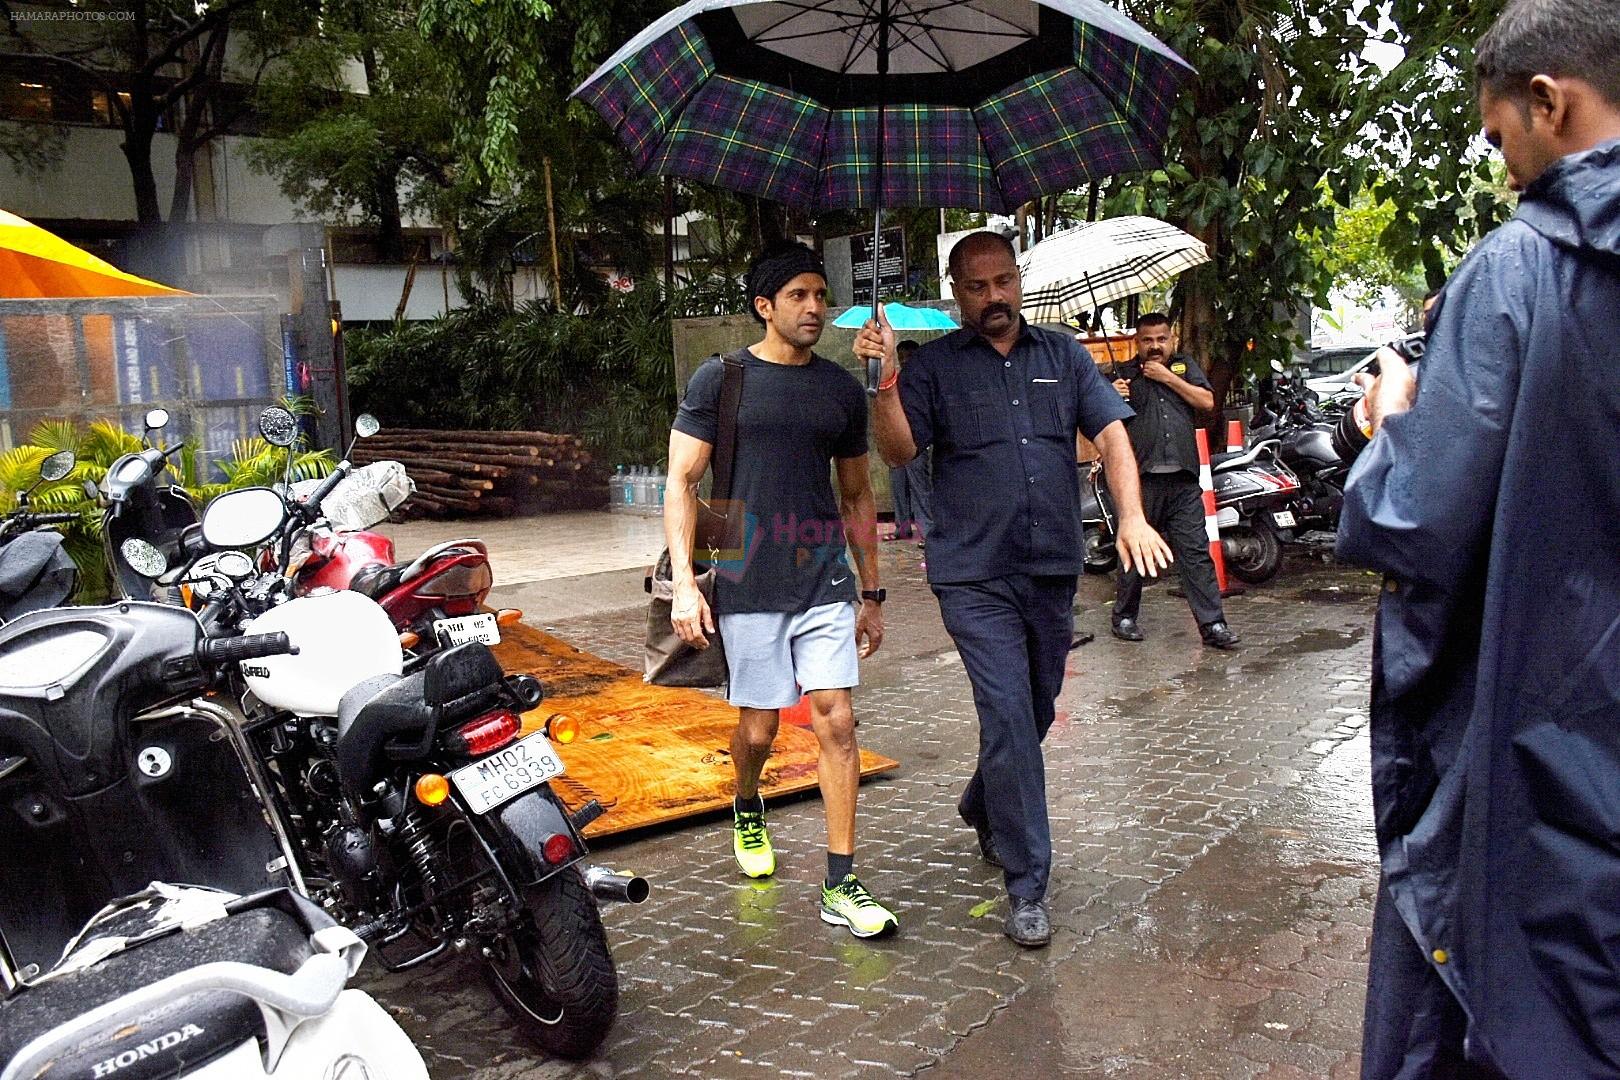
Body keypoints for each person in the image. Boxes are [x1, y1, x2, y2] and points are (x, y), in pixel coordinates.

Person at [1336, 1, 1620, 1074]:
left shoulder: (1520, 271)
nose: (1503, 170)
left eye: (1500, 138)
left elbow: (1411, 520)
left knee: (1471, 1011)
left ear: (1549, 102)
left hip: (1529, 742)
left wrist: (1396, 419)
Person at [857, 232, 1172, 947]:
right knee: (1006, 711)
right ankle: (1028, 883)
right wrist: (883, 380)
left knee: (1032, 706)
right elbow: (900, 450)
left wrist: (1131, 517)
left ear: (1017, 280)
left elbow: (1114, 435)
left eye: (1003, 282)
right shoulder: (934, 367)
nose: (993, 298)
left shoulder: (1060, 355)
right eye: (977, 287)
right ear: (956, 292)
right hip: (973, 573)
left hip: (1051, 567)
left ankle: (983, 802)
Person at [664, 242, 898, 939]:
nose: (814, 308)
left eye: (820, 295)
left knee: (836, 720)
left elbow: (856, 493)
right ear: (764, 306)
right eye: (797, 295)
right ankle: (745, 800)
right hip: (745, 575)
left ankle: (841, 882)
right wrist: (685, 584)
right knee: (760, 729)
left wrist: (873, 593)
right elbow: (682, 481)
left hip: (822, 575)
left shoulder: (836, 388)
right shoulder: (722, 378)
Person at [1106, 313, 1240, 650]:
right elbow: (1099, 421)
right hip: (1141, 481)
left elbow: (1208, 402)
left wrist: (1167, 378)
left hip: (1182, 479)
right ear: (1137, 342)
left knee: (1195, 554)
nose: (1155, 346)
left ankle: (1213, 624)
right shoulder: (1122, 374)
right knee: (1134, 553)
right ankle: (1124, 617)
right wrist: (1111, 394)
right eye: (1147, 340)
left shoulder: (1184, 367)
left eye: (1161, 339)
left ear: (1172, 339)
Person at [887, 340, 933, 546]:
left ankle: (926, 530)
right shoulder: (895, 379)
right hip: (897, 440)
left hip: (916, 440)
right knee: (899, 483)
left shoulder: (922, 379)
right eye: (901, 356)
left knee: (918, 485)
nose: (904, 360)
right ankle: (902, 526)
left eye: (907, 355)